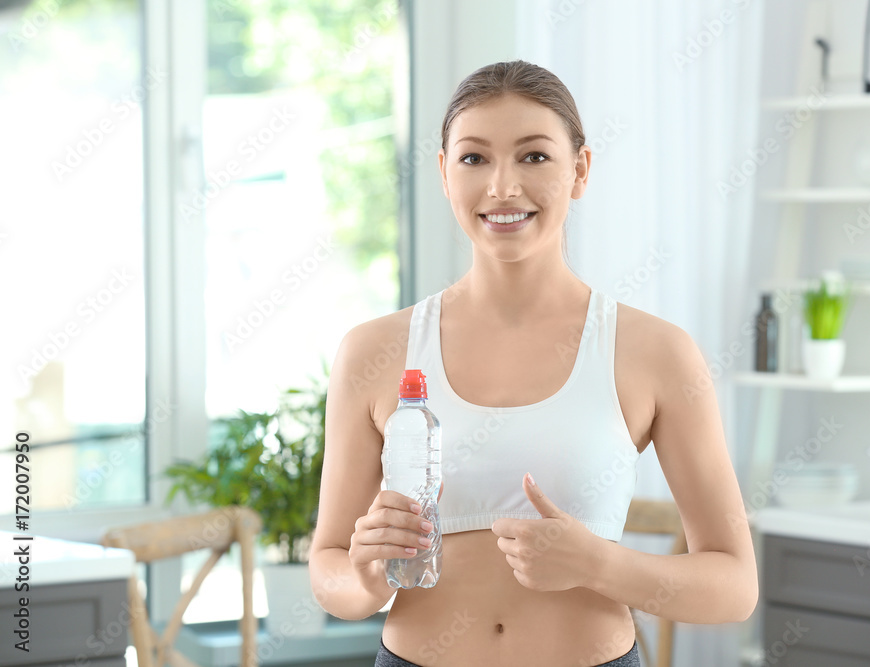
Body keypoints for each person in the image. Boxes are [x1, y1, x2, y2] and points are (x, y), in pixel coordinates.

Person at [309, 60, 757, 667]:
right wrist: (366, 576)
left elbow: (734, 586)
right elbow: (329, 566)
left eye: (534, 156)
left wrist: (599, 563)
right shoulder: (373, 351)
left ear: (581, 170)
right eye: (473, 159)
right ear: (444, 174)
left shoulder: (655, 352)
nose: (501, 187)